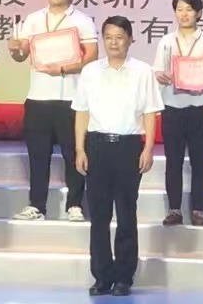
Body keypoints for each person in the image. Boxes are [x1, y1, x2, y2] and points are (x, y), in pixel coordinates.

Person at [74, 16, 163, 297]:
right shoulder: (90, 71)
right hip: (97, 146)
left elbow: (150, 112)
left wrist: (148, 148)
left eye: (119, 37)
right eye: (109, 37)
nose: (114, 42)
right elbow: (81, 112)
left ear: (130, 40)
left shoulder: (143, 71)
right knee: (99, 216)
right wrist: (80, 149)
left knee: (126, 213)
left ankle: (124, 276)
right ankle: (102, 276)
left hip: (128, 147)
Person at [7, 0, 98, 221]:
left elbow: (92, 56)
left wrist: (63, 68)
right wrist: (14, 49)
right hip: (38, 98)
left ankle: (75, 204)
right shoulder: (34, 19)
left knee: (74, 153)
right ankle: (37, 205)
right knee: (38, 155)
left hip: (72, 98)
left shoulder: (82, 20)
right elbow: (21, 55)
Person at [153, 0, 203, 226]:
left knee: (199, 161)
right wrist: (159, 75)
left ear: (199, 13)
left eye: (189, 9)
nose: (184, 14)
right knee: (173, 161)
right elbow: (157, 70)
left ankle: (198, 210)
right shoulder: (166, 41)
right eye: (179, 9)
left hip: (199, 107)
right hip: (172, 107)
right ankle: (174, 210)